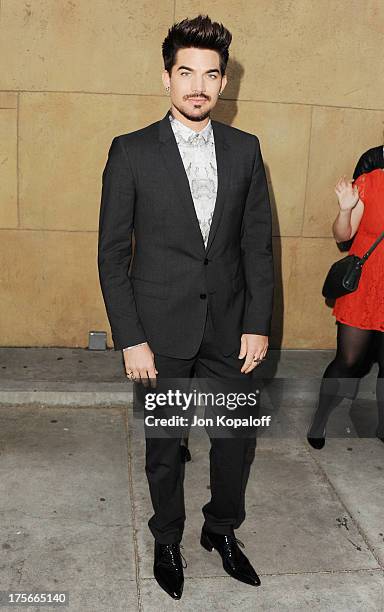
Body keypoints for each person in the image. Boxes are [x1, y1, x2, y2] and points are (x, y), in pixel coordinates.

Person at [97, 14, 274, 600]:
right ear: (166, 78)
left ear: (224, 84)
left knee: (234, 442)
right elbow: (112, 253)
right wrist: (130, 337)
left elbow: (257, 245)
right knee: (165, 449)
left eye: (210, 75)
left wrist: (256, 325)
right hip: (159, 333)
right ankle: (167, 538)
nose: (198, 85)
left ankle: (220, 531)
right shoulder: (130, 152)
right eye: (186, 72)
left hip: (231, 331)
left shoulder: (246, 151)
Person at [307, 148, 384, 450]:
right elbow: (342, 235)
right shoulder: (371, 181)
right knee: (348, 360)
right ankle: (320, 419)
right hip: (365, 285)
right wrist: (344, 209)